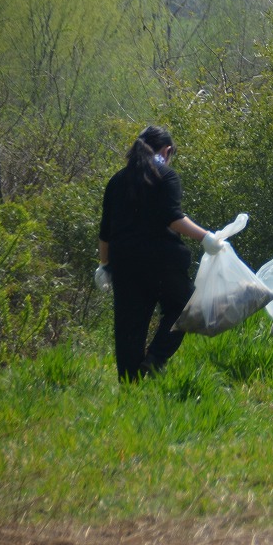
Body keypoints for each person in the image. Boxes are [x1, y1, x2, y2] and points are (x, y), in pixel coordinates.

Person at [97, 125, 225, 381]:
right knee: (186, 305)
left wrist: (104, 265)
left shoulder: (117, 181)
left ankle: (129, 385)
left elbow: (105, 231)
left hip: (124, 262)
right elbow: (172, 218)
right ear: (166, 151)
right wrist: (206, 237)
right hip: (161, 261)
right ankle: (155, 360)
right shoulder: (166, 176)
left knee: (129, 326)